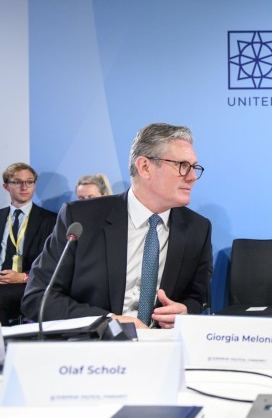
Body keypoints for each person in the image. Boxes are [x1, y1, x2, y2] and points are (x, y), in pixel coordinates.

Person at [21, 123, 212, 329]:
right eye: (182, 165)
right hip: (93, 349)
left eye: (194, 167)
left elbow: (196, 298)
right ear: (145, 167)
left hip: (163, 349)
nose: (192, 177)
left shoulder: (197, 229)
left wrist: (183, 311)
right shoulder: (81, 218)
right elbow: (38, 298)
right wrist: (109, 322)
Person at [0, 163, 57, 325]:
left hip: (30, 283)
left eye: (29, 182)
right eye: (17, 182)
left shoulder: (50, 220)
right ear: (6, 186)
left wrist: (22, 277)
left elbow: (53, 264)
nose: (24, 187)